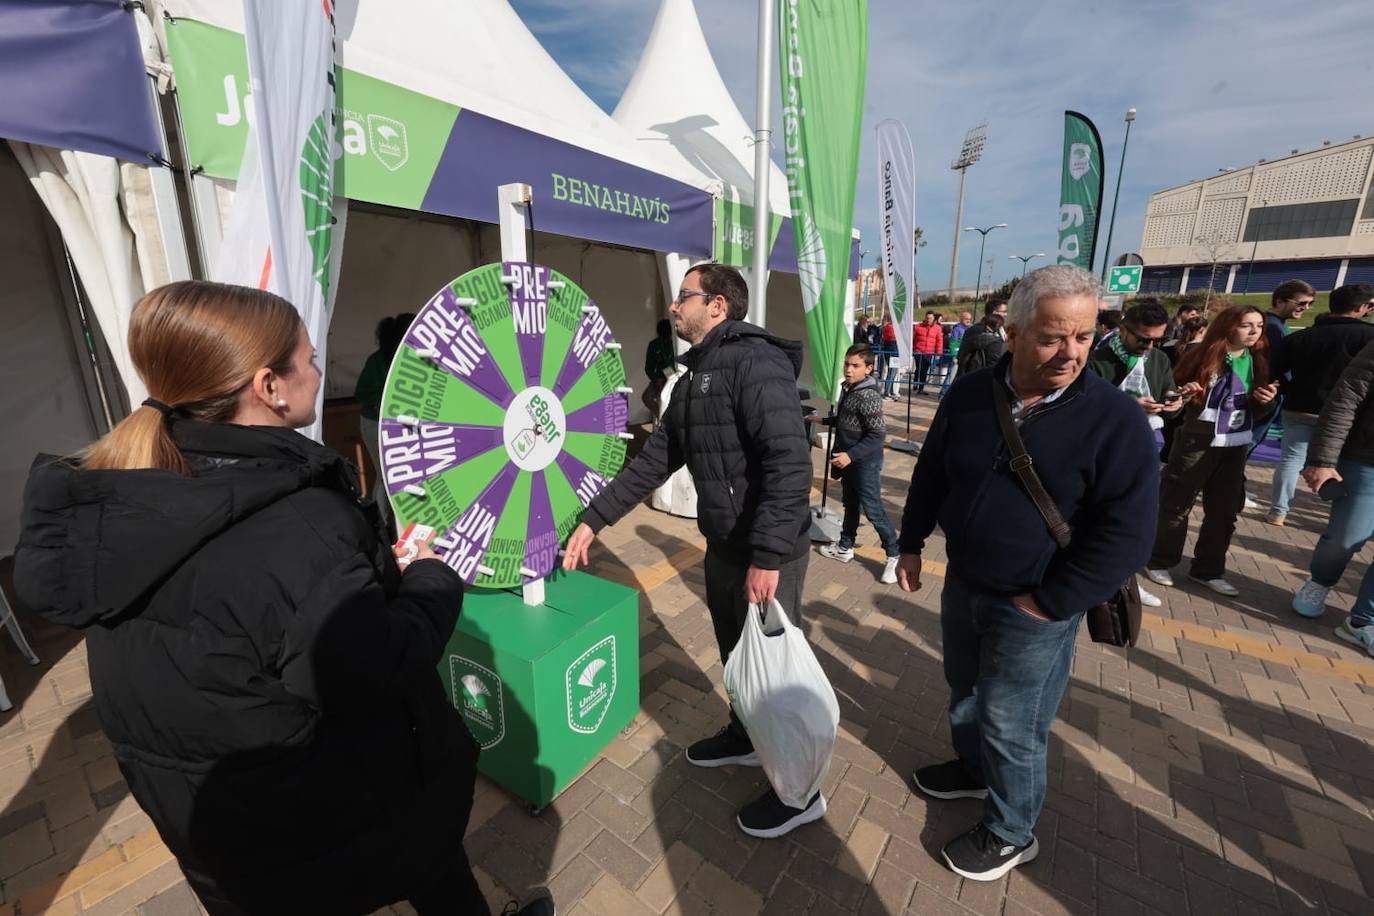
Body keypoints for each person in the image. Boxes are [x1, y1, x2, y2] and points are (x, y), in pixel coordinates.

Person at [13, 282, 555, 916]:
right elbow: (378, 664)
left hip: (219, 829)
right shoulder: (298, 526)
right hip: (323, 813)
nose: (321, 372)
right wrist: (430, 575)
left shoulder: (122, 494)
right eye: (309, 357)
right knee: (435, 869)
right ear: (269, 386)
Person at [896, 264, 1157, 881]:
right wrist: (909, 543)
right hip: (965, 583)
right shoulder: (968, 394)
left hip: (1036, 605)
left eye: (1085, 337)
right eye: (1052, 337)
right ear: (1010, 332)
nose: (1070, 353)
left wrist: (1051, 602)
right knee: (964, 693)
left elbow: (1128, 534)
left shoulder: (1114, 420)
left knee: (1013, 724)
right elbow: (933, 471)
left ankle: (1012, 830)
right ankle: (972, 771)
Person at [561, 263, 819, 838]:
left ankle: (802, 793)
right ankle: (746, 736)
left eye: (685, 297)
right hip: (725, 545)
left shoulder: (755, 363)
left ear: (718, 306)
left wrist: (769, 557)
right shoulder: (697, 374)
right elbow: (657, 460)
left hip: (765, 554)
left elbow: (788, 464)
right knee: (736, 656)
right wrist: (595, 519)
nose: (674, 307)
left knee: (776, 673)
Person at [1144, 305, 1279, 597]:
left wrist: (1265, 400)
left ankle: (1208, 570)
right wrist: (1185, 394)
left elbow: (1257, 409)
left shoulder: (1257, 360)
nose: (1254, 332)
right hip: (1197, 440)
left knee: (1225, 510)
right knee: (1176, 503)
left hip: (1235, 443)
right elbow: (1170, 394)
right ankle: (1158, 559)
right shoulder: (1202, 355)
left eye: (1259, 325)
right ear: (1229, 326)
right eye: (1247, 325)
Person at [1085, 299, 1184, 608]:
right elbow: (1081, 405)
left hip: (1143, 447)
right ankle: (1091, 579)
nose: (1149, 345)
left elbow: (1168, 391)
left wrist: (1173, 402)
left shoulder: (1159, 360)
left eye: (1157, 339)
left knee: (1130, 519)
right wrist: (1128, 406)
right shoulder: (1095, 358)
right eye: (1143, 338)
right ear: (1123, 329)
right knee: (1093, 517)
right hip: (1100, 450)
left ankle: (1123, 581)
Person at [1265, 283, 1374, 525]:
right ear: (1362, 307)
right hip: (1347, 414)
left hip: (1300, 405)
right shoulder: (1369, 338)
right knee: (1343, 463)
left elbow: (1274, 371)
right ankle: (1338, 517)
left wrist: (1286, 387)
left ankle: (1278, 511)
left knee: (1291, 460)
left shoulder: (1299, 337)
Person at [1291, 340, 1374, 646]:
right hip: (1366, 460)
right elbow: (1345, 398)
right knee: (1345, 538)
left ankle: (1363, 621)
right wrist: (1323, 460)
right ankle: (1320, 581)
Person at [818, 344, 900, 584]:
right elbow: (847, 419)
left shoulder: (868, 395)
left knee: (873, 510)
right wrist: (821, 419)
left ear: (869, 368)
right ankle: (845, 546)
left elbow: (877, 435)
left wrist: (850, 456)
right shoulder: (850, 389)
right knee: (850, 505)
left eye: (855, 366)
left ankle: (894, 555)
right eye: (847, 364)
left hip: (864, 463)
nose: (849, 369)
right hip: (850, 461)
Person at [354, 312, 415, 527]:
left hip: (405, 425)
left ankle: (402, 523)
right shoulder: (378, 360)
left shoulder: (416, 359)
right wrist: (383, 402)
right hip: (375, 424)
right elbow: (361, 393)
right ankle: (380, 523)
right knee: (385, 475)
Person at [644, 317, 677, 418]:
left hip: (674, 377)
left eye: (668, 337)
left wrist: (668, 379)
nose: (666, 340)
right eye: (663, 337)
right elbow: (648, 367)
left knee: (672, 400)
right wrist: (656, 379)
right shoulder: (654, 345)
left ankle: (671, 421)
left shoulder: (676, 343)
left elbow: (677, 364)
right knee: (646, 398)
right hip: (658, 379)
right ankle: (663, 418)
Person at [913, 310, 945, 394]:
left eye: (930, 318)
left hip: (929, 353)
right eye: (927, 318)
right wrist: (913, 349)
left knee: (924, 370)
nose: (928, 320)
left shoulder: (938, 328)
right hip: (918, 351)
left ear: (934, 318)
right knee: (919, 368)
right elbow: (912, 338)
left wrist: (939, 353)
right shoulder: (918, 326)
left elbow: (939, 341)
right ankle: (915, 383)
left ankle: (921, 388)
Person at [881, 315, 901, 399]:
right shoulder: (889, 328)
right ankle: (887, 392)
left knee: (894, 373)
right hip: (892, 353)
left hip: (895, 353)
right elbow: (893, 338)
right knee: (891, 373)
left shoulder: (891, 327)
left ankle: (891, 391)